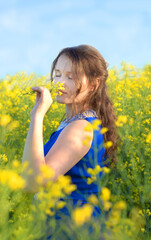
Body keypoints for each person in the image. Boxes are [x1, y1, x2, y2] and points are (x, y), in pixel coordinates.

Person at [21, 44, 118, 239]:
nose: (60, 82)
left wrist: (37, 117)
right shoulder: (75, 123)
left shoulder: (79, 128)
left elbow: (32, 182)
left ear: (93, 84)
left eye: (70, 77)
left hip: (71, 228)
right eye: (57, 74)